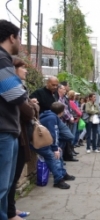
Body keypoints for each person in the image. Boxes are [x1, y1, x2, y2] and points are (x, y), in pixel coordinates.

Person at [0, 20, 30, 220]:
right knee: (2, 185)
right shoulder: (2, 59)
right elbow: (16, 95)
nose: (20, 42)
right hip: (4, 130)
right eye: (19, 37)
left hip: (6, 129)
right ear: (12, 37)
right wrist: (23, 92)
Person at [7, 57, 39, 220]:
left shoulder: (18, 87)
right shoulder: (12, 87)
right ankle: (10, 213)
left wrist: (30, 105)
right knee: (10, 178)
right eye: (22, 67)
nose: (26, 70)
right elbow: (28, 112)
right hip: (18, 136)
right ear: (14, 70)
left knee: (12, 176)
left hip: (20, 135)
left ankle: (11, 209)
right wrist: (32, 106)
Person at [33, 102, 75, 189]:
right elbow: (53, 133)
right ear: (61, 112)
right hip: (41, 142)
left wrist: (55, 147)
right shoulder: (52, 118)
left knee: (58, 154)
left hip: (41, 140)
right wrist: (55, 148)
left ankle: (63, 174)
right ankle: (58, 180)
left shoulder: (48, 115)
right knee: (53, 156)